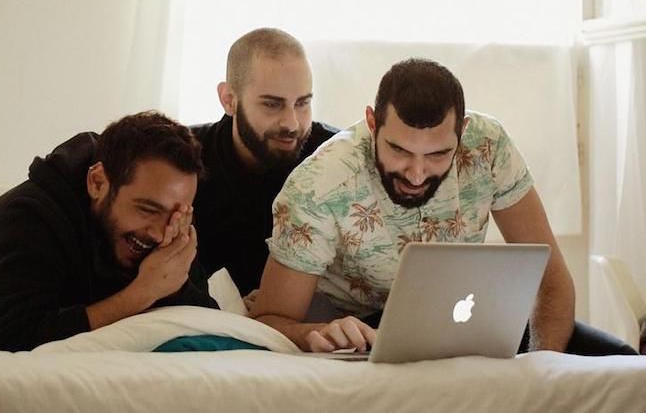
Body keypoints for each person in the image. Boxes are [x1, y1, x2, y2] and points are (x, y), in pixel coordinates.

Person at [250, 58, 638, 355]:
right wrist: (317, 333)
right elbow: (269, 321)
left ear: (462, 133)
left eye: (438, 154)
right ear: (372, 123)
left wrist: (541, 370)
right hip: (365, 328)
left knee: (621, 362)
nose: (417, 173)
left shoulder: (488, 147)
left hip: (465, 313)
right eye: (399, 150)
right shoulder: (318, 186)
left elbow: (551, 278)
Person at [0, 111, 217, 352]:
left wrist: (174, 284)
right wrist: (140, 294)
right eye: (147, 209)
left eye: (176, 215)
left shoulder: (166, 231)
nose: (159, 233)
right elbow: (16, 340)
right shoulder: (30, 218)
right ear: (97, 182)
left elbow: (208, 320)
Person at [191, 28, 337, 300]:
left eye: (302, 103)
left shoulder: (336, 158)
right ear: (229, 100)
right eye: (272, 105)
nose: (291, 123)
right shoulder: (184, 161)